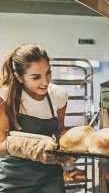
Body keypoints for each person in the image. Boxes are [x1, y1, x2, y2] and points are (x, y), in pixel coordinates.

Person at [0, 43, 76, 192]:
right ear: (19, 77)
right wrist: (31, 146)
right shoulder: (4, 97)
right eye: (36, 77)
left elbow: (59, 130)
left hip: (50, 175)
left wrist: (72, 143)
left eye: (48, 73)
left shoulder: (59, 95)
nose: (45, 82)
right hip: (14, 177)